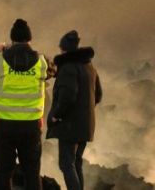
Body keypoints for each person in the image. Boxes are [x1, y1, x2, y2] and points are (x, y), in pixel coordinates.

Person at [0, 19, 49, 190]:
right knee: (32, 173)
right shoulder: (42, 62)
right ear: (29, 39)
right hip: (31, 126)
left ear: (12, 40)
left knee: (3, 173)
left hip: (3, 126)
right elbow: (53, 71)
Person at [47, 30, 102, 190]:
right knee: (76, 163)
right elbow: (98, 96)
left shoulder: (68, 68)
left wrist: (56, 116)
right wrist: (84, 111)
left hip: (70, 126)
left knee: (66, 164)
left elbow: (67, 96)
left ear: (63, 48)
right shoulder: (90, 67)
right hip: (85, 124)